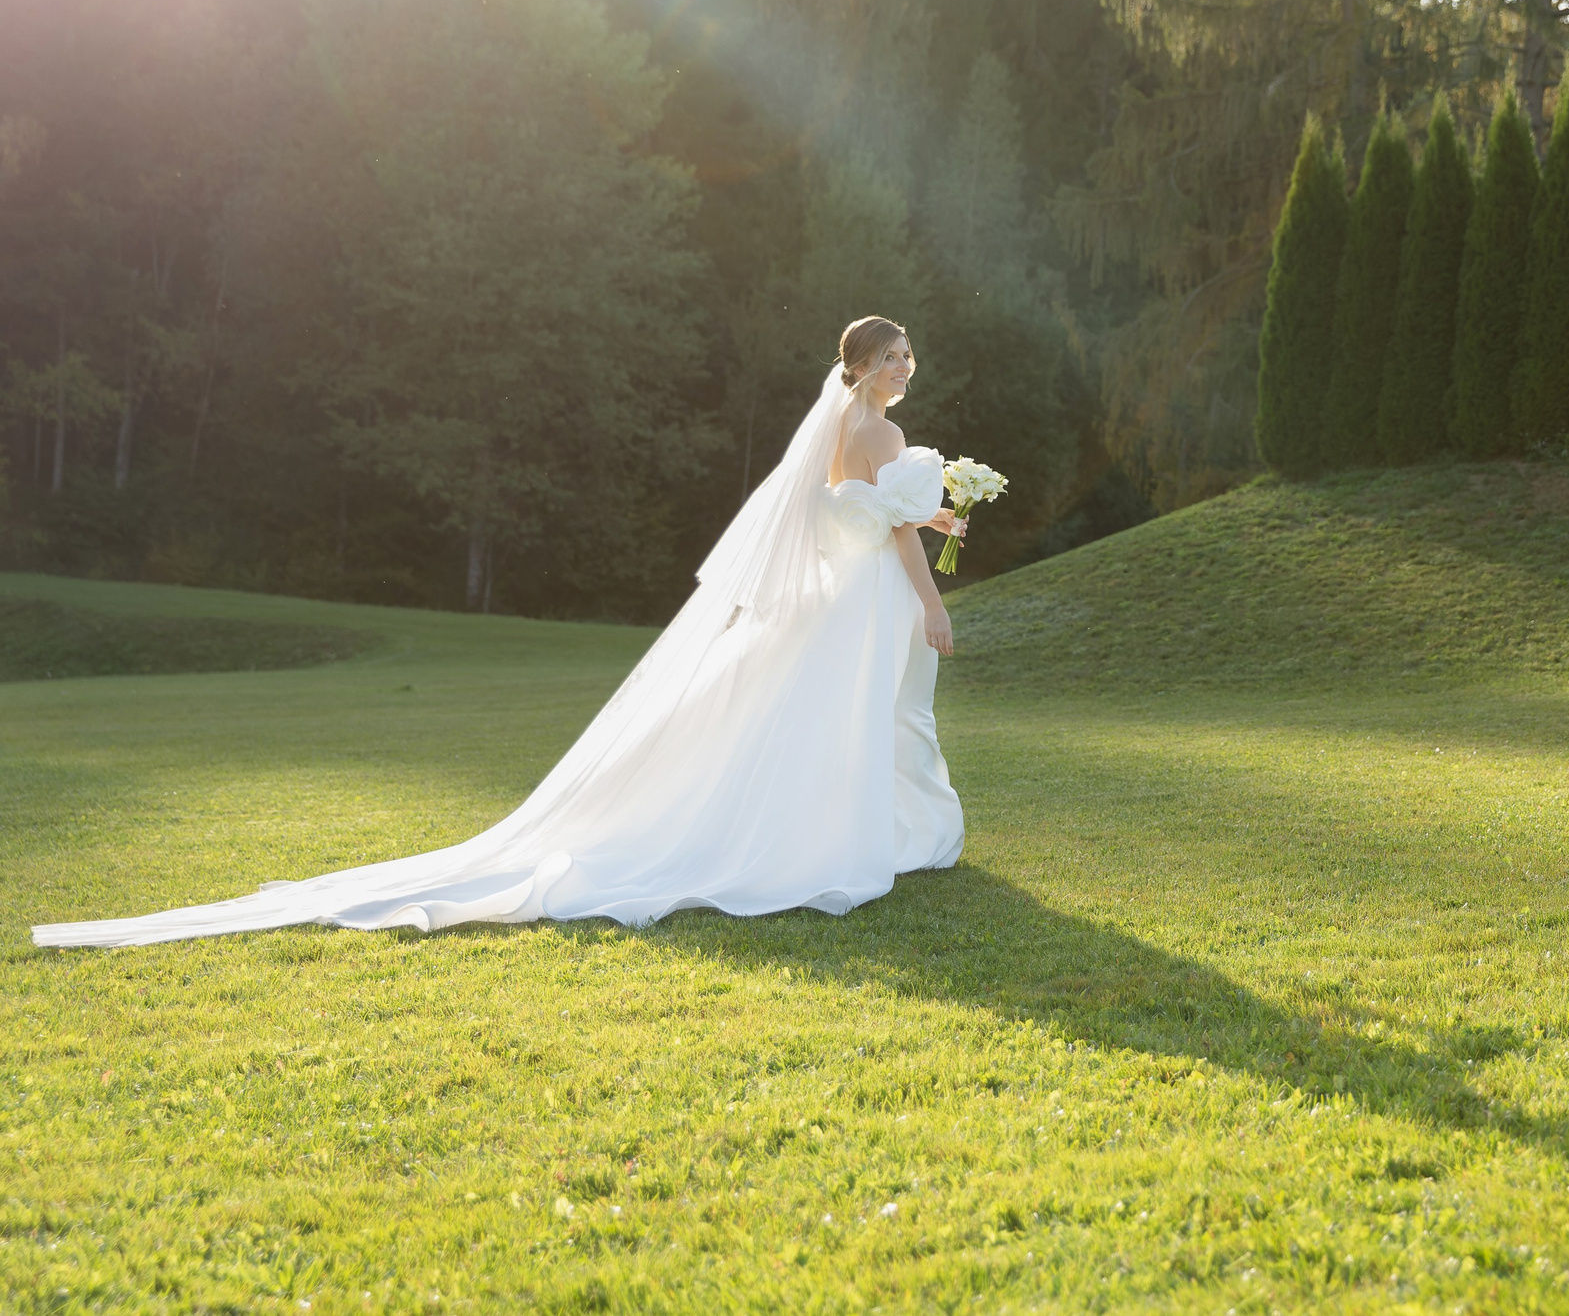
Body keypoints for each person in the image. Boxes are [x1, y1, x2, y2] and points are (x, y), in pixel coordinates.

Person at [33, 317, 968, 949]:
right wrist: (931, 598)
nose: (904, 367)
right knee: (861, 715)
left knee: (822, 718)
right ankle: (858, 835)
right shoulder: (884, 435)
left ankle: (851, 825)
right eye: (891, 357)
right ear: (858, 366)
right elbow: (884, 527)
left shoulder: (840, 428)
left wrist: (922, 514)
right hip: (861, 599)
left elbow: (848, 509)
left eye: (908, 356)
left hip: (833, 594)